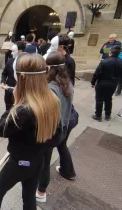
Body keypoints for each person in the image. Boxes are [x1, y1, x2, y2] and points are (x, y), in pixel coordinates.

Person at [0, 53, 61, 210]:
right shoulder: (52, 99)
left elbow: (0, 130)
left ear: (23, 78)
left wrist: (16, 102)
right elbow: (57, 137)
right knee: (28, 197)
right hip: (37, 160)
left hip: (19, 163)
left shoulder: (23, 110)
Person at [36, 51, 75, 203]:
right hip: (62, 129)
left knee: (44, 162)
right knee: (47, 158)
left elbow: (45, 115)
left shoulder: (51, 89)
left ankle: (41, 191)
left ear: (49, 68)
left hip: (51, 132)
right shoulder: (67, 83)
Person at [91, 46, 122, 121]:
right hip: (113, 83)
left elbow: (96, 73)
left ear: (110, 53)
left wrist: (93, 82)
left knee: (99, 99)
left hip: (102, 83)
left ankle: (98, 115)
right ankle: (107, 115)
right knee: (108, 98)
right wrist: (120, 73)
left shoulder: (104, 62)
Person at [1, 41, 25, 110]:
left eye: (13, 51)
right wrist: (3, 82)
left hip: (19, 92)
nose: (11, 53)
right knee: (8, 109)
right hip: (8, 90)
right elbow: (4, 73)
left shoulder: (25, 64)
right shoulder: (10, 61)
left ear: (20, 51)